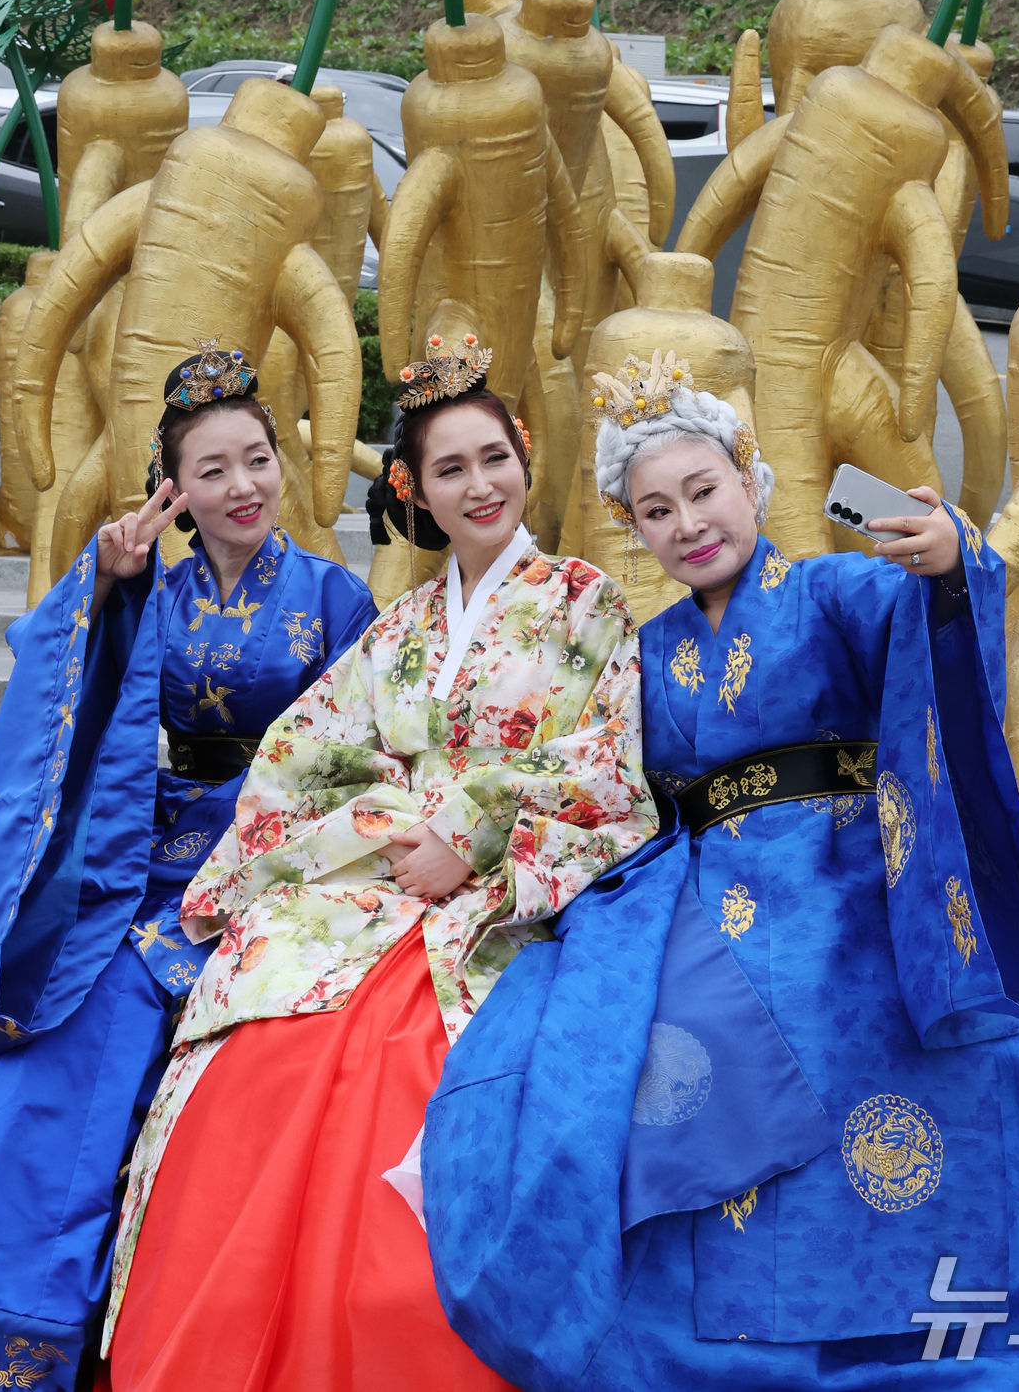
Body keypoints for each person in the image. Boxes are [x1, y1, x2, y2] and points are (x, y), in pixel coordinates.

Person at [422, 347, 1019, 1391]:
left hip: (848, 862)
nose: (688, 522)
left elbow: (931, 611)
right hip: (701, 870)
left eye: (703, 489)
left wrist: (948, 559)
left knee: (837, 1000)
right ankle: (689, 1304)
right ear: (632, 529)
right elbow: (605, 773)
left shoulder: (831, 589)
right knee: (602, 1030)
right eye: (655, 509)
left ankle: (884, 1295)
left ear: (749, 475)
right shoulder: (645, 645)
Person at [100, 332, 657, 1392]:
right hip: (381, 874)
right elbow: (299, 757)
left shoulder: (586, 601)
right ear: (412, 489)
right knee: (255, 1042)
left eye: (492, 457)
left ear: (524, 456)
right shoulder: (398, 626)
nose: (478, 484)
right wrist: (393, 826)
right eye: (448, 468)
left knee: (401, 1057)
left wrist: (473, 820)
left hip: (502, 883)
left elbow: (607, 760)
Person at [0, 340, 376, 1392]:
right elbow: (66, 692)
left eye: (255, 458)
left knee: (116, 1014)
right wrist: (109, 587)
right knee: (43, 1014)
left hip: (279, 849)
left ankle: (54, 1307)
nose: (240, 486)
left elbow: (369, 745)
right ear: (175, 489)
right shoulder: (151, 590)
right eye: (210, 470)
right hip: (147, 844)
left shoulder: (335, 595)